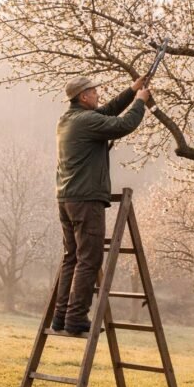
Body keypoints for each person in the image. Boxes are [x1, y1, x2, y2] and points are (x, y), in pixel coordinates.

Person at [52, 75, 150, 334]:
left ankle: (61, 317)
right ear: (84, 96)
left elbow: (106, 112)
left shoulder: (68, 119)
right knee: (89, 259)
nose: (98, 94)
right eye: (94, 91)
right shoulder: (86, 121)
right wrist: (140, 102)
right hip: (86, 200)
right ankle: (75, 318)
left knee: (71, 258)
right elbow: (122, 125)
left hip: (67, 198)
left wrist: (132, 91)